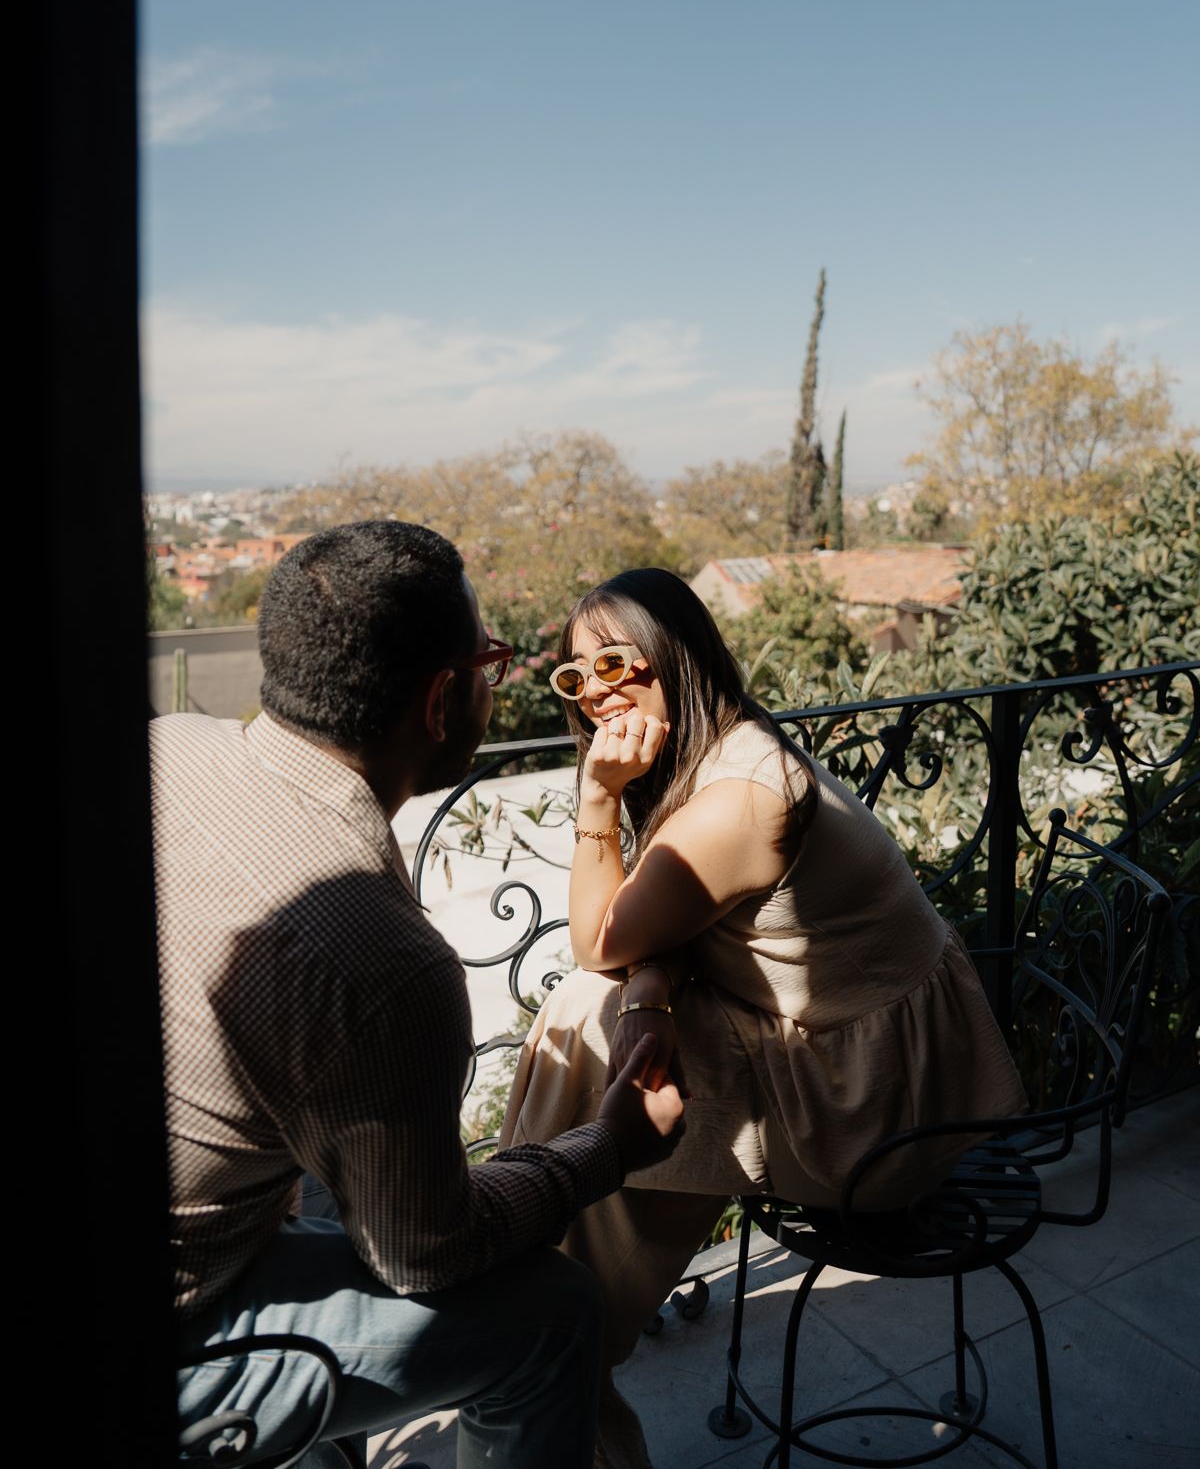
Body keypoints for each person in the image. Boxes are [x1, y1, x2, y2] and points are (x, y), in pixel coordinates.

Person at [158, 522, 685, 1469]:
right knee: (553, 1314)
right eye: (489, 662)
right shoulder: (381, 960)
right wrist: (606, 1148)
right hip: (186, 1327)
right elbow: (426, 1256)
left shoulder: (169, 747)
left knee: (334, 1186)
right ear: (443, 700)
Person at [500, 567, 1027, 1469]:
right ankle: (544, 1316)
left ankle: (541, 1328)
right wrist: (649, 996)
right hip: (853, 1065)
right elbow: (662, 933)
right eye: (575, 676)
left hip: (886, 1118)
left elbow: (599, 939)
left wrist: (598, 799)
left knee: (588, 1014)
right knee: (610, 1022)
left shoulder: (740, 798)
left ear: (677, 656)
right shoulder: (726, 749)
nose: (597, 693)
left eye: (617, 663)